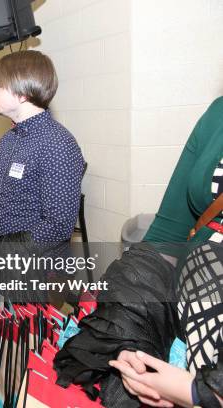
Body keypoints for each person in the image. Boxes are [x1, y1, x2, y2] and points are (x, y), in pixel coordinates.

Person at [109, 98, 223, 408]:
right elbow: (165, 236)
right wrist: (131, 333)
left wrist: (203, 393)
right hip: (189, 346)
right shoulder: (218, 113)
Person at [0, 50, 84, 243]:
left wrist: (7, 250)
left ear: (23, 93)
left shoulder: (58, 144)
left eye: (0, 85)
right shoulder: (7, 141)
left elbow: (58, 227)